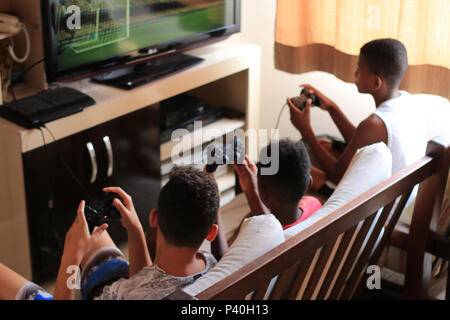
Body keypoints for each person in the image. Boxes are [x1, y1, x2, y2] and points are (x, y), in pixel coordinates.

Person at [0, 166, 225, 300]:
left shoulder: (129, 294)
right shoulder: (213, 266)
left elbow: (139, 287)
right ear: (211, 233)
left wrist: (70, 258)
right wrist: (135, 231)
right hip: (128, 287)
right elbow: (147, 281)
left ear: (154, 218)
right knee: (90, 226)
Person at [287, 38, 427, 195]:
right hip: (399, 197)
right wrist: (332, 108)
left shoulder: (375, 124)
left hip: (373, 210)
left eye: (359, 69)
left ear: (376, 83)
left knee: (288, 164)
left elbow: (337, 176)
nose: (355, 74)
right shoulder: (406, 101)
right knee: (324, 144)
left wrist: (305, 130)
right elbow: (362, 140)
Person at [233, 138, 322, 231]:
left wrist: (251, 191)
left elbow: (267, 227)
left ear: (263, 192)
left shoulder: (259, 232)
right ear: (309, 185)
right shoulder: (314, 205)